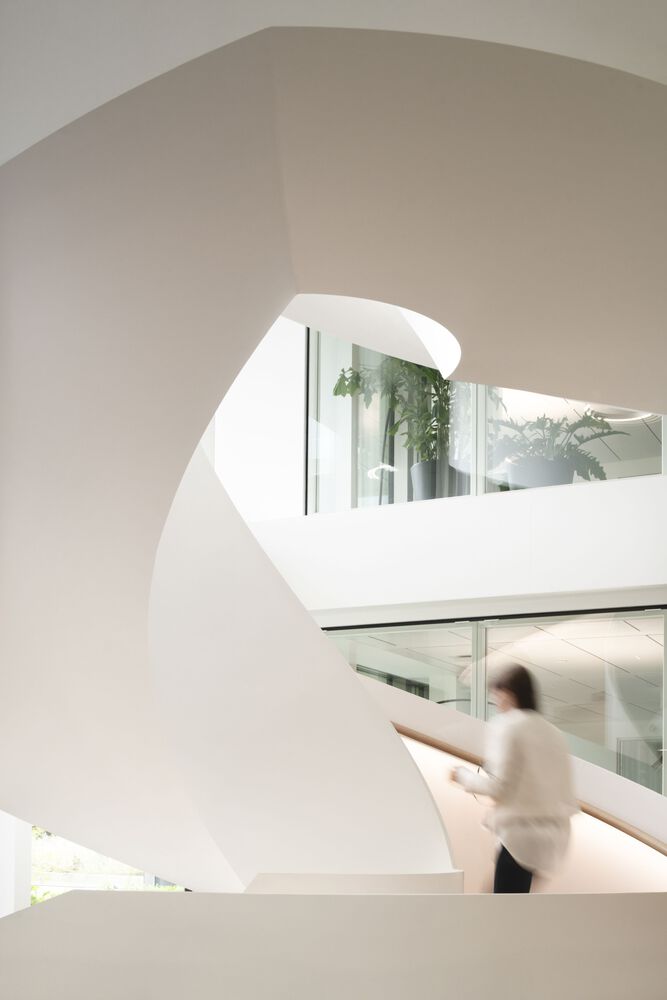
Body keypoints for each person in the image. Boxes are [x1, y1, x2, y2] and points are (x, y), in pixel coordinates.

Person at [451, 663, 578, 893]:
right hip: (551, 841)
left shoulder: (508, 726)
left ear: (507, 693)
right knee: (510, 906)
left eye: (496, 696)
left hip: (518, 839)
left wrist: (463, 777)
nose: (496, 703)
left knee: (499, 908)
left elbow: (500, 788)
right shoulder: (554, 733)